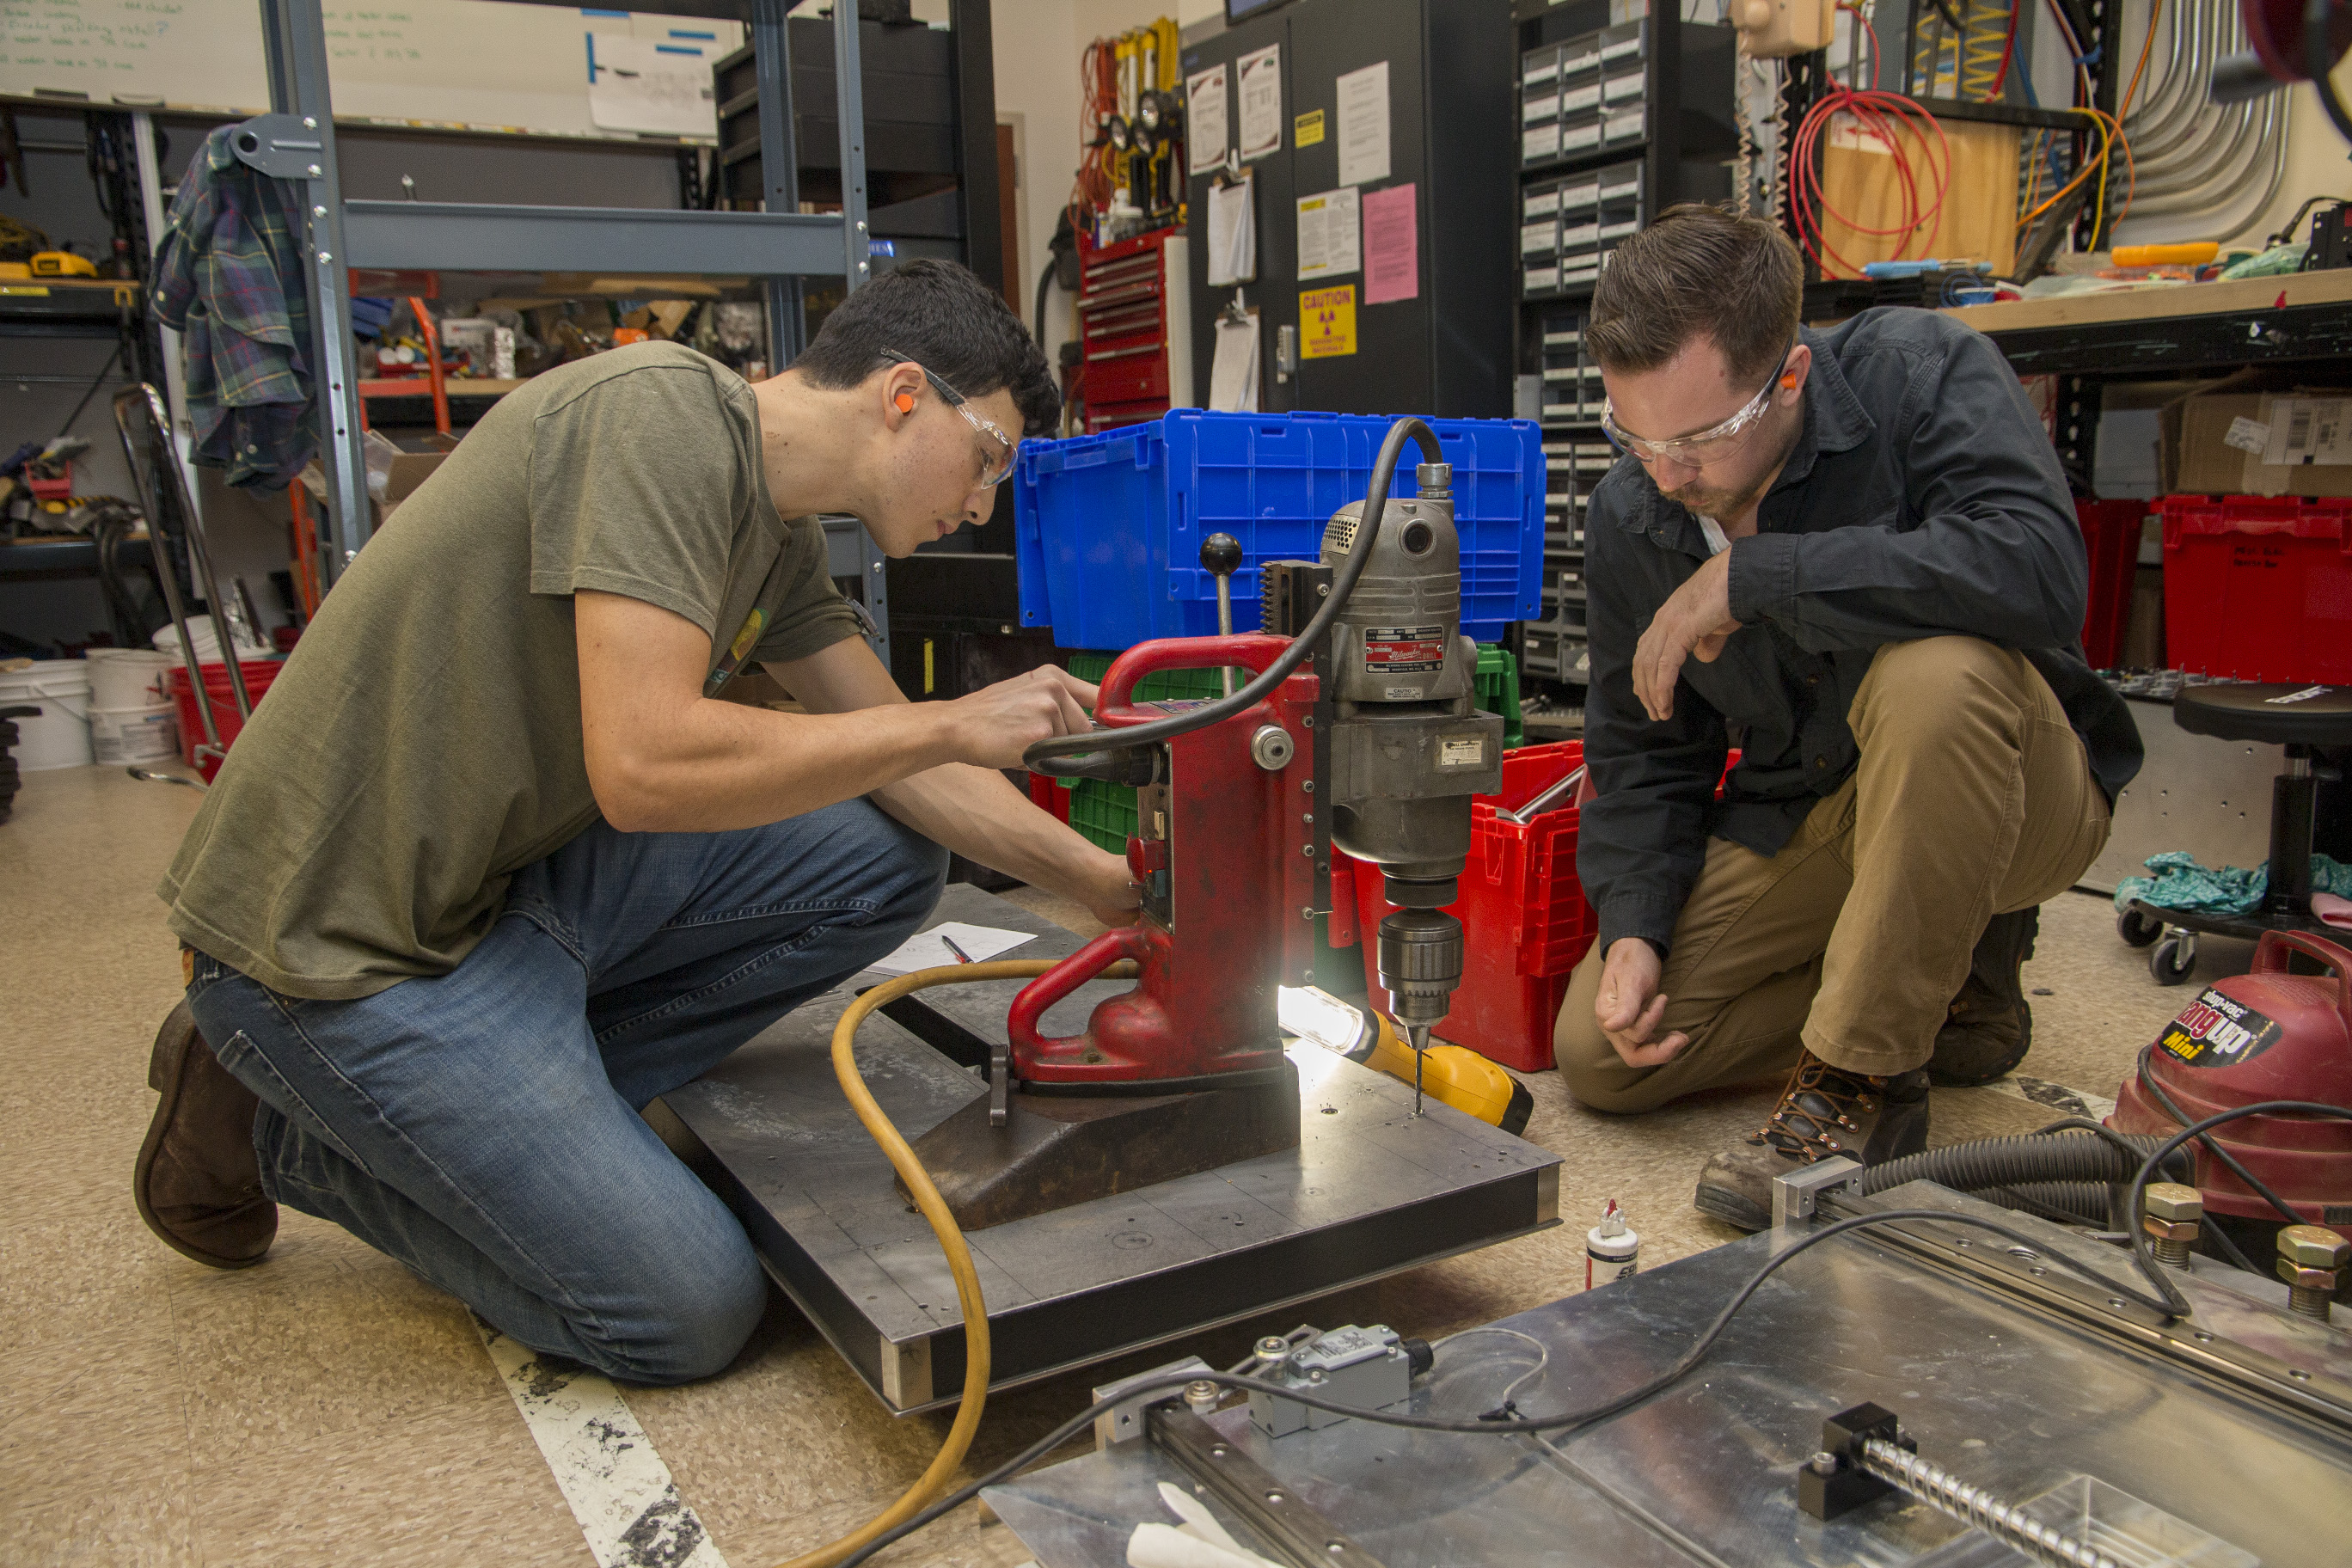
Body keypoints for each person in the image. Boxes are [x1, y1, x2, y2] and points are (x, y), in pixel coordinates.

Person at [135, 260, 1137, 1382]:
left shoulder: (776, 532)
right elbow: (646, 764)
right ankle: (281, 1127)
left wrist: (1106, 880)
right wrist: (953, 724)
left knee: (885, 856)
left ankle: (517, 1122)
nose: (983, 503)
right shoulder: (653, 412)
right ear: (904, 395)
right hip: (333, 945)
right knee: (686, 1310)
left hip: (491, 894)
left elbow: (903, 765)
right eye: (989, 458)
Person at [1552, 207, 2141, 1229]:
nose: (1664, 473)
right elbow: (1646, 749)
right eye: (1633, 434)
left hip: (2016, 786)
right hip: (1821, 810)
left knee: (1935, 675)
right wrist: (1637, 917)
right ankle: (1941, 976)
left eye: (1696, 438)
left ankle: (1859, 1082)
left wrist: (1763, 575)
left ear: (1790, 379)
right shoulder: (1633, 512)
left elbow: (2039, 571)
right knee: (1604, 1056)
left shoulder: (1920, 369)